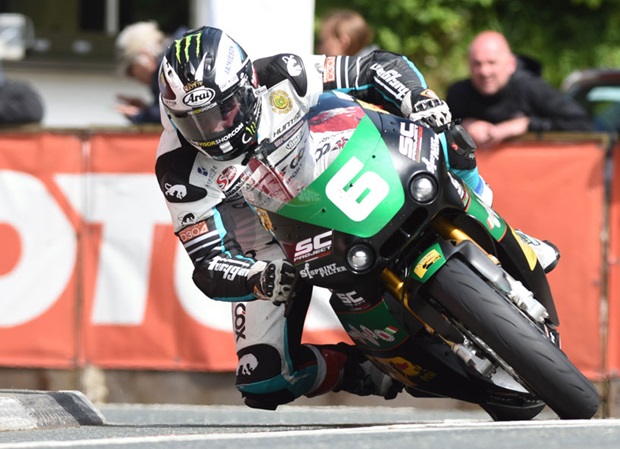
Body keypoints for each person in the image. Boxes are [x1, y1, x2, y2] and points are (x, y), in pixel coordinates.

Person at [154, 26, 557, 411]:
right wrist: (256, 278)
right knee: (263, 379)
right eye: (196, 121)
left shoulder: (281, 73)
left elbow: (375, 67)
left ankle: (505, 231)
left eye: (224, 110)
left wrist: (416, 98)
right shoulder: (177, 169)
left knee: (448, 134)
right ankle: (363, 370)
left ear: (247, 85)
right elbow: (207, 262)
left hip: (338, 166)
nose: (215, 129)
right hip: (269, 242)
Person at [446, 30, 592, 149]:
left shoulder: (531, 88)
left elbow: (582, 124)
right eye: (477, 64)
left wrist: (526, 125)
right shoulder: (458, 93)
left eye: (492, 63)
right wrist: (462, 126)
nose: (484, 72)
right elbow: (433, 134)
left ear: (511, 64)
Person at [114, 21, 174, 124]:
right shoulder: (172, 61)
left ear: (144, 56)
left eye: (130, 71)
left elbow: (177, 116)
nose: (132, 77)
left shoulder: (172, 67)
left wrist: (142, 116)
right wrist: (146, 110)